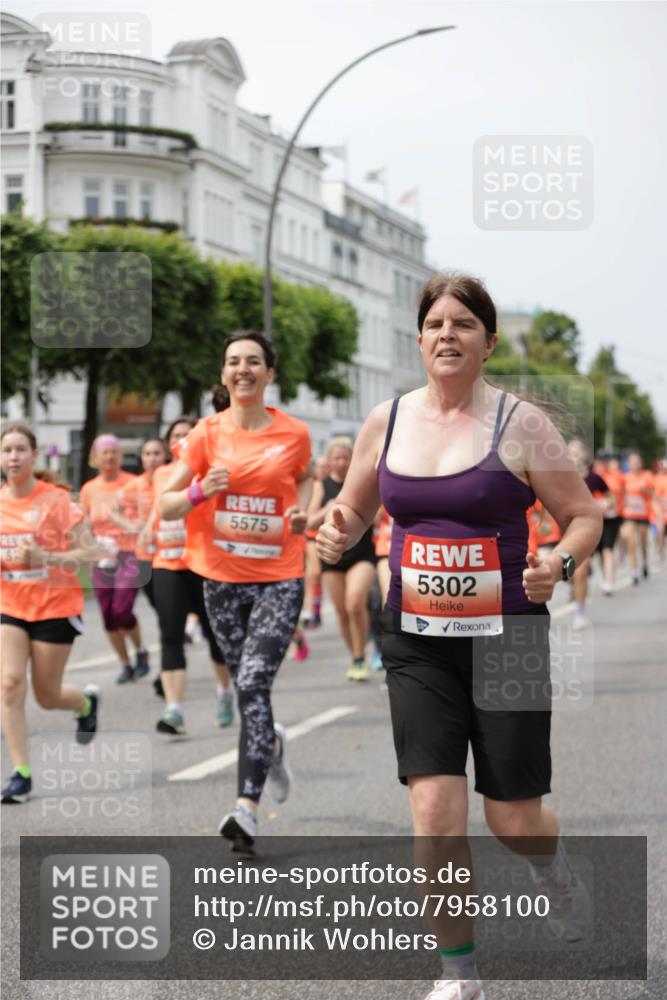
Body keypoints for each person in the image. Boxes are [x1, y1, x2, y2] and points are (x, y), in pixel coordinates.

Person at [316, 273, 602, 1000]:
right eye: (435, 323)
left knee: (511, 817)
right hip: (415, 639)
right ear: (418, 339)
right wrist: (336, 527)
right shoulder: (385, 420)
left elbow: (582, 515)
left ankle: (552, 867)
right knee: (435, 811)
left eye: (463, 324)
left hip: (505, 632)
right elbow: (353, 507)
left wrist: (557, 562)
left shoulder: (520, 424)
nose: (447, 334)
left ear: (487, 341)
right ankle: (459, 974)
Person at [159, 331, 312, 849]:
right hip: (221, 581)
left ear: (270, 374)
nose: (242, 369)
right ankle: (273, 745)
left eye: (253, 361)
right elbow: (166, 503)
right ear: (224, 376)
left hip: (279, 577)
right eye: (232, 362)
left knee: (250, 684)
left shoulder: (293, 433)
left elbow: (306, 478)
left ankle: (245, 808)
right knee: (252, 690)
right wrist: (203, 489)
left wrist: (302, 513)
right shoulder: (205, 434)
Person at [1, 425, 100, 803]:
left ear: (34, 454)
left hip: (54, 606)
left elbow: (89, 554)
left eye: (20, 449)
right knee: (9, 684)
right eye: (6, 450)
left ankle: (85, 703)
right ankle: (21, 773)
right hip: (9, 606)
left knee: (46, 695)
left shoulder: (57, 502)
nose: (13, 457)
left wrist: (46, 558)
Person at [149, 416, 234, 734]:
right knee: (170, 635)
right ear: (170, 443)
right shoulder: (162, 474)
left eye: (189, 435)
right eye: (177, 435)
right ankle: (174, 709)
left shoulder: (212, 473)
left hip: (203, 564)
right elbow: (160, 508)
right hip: (167, 563)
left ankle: (225, 692)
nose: (183, 439)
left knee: (215, 637)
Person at [79, 434, 150, 684]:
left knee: (121, 609)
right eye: (104, 452)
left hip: (128, 552)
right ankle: (125, 663)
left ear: (120, 456)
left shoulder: (133, 483)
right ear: (95, 458)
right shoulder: (89, 489)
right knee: (108, 617)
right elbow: (84, 525)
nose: (109, 456)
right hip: (102, 556)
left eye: (113, 452)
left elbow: (144, 516)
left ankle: (141, 651)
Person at [307, 436, 377, 681]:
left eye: (346, 458)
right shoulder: (322, 485)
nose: (342, 462)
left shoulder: (362, 481)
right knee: (342, 612)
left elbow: (377, 518)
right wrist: (328, 508)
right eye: (337, 458)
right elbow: (309, 520)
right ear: (329, 460)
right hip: (332, 556)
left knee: (355, 602)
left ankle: (361, 653)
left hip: (362, 553)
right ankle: (356, 657)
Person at [111, 438, 169, 610]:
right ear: (141, 458)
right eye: (147, 454)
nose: (152, 459)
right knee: (157, 605)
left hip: (171, 552)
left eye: (157, 454)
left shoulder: (173, 480)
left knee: (173, 604)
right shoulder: (135, 485)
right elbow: (112, 510)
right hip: (144, 553)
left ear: (166, 456)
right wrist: (130, 525)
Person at [566, 439, 612, 628]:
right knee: (571, 573)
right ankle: (576, 580)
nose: (575, 455)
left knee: (581, 570)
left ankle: (579, 613)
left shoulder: (594, 478)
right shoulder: (559, 477)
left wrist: (606, 504)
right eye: (571, 452)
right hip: (561, 530)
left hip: (585, 529)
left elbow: (610, 496)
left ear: (585, 456)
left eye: (578, 452)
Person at [620, 451, 659, 584]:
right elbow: (621, 494)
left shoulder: (647, 476)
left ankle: (645, 562)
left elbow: (655, 495)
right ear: (628, 464)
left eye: (636, 462)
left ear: (641, 463)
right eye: (632, 462)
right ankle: (634, 570)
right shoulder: (625, 477)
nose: (634, 464)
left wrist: (645, 490)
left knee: (642, 543)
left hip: (643, 515)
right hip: (629, 515)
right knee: (631, 542)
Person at [302, 455, 329, 630]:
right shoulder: (312, 485)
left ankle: (315, 610)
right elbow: (309, 513)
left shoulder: (333, 485)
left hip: (324, 534)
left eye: (325, 467)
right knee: (312, 574)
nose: (322, 469)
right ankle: (310, 611)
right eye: (319, 466)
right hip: (308, 534)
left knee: (316, 575)